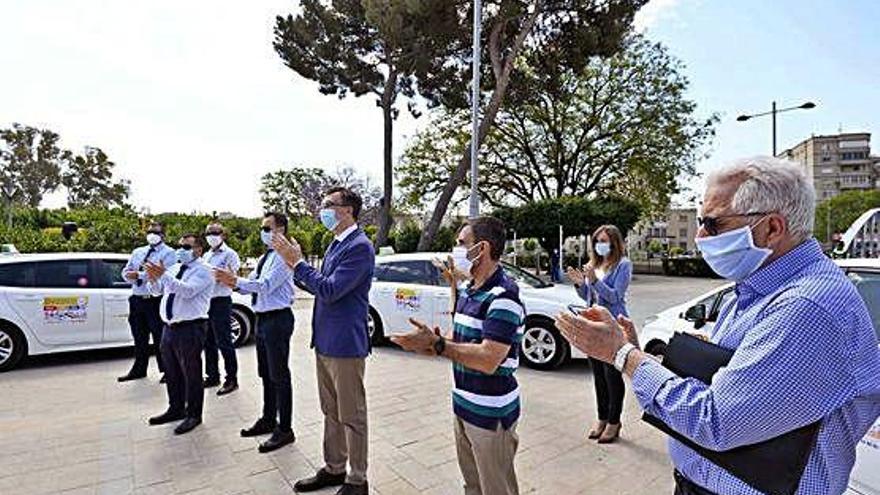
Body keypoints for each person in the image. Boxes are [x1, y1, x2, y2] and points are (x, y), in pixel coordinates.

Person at [555, 156, 880, 495]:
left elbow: (716, 420)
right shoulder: (754, 288)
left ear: (771, 228)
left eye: (713, 224)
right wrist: (634, 351)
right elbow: (719, 380)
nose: (699, 237)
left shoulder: (807, 307)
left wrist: (624, 355)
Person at [393, 216, 524, 495]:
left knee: (496, 488)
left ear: (483, 248)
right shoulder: (468, 290)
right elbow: (463, 341)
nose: (456, 251)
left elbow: (489, 358)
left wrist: (440, 346)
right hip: (464, 406)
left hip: (491, 416)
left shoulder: (504, 296)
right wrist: (431, 345)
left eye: (462, 244)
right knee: (473, 486)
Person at [273, 187, 375, 495]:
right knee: (331, 410)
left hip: (345, 345)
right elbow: (318, 286)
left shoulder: (359, 247)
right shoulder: (336, 243)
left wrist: (298, 264)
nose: (323, 209)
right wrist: (295, 265)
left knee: (351, 415)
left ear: (347, 210)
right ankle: (334, 468)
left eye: (329, 205)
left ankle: (357, 479)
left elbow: (330, 290)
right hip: (326, 341)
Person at [215, 212, 296, 453]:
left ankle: (285, 429)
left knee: (280, 376)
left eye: (267, 228)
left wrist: (235, 281)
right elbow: (251, 283)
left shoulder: (284, 256)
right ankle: (268, 418)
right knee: (266, 373)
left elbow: (266, 286)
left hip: (277, 319)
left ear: (280, 229)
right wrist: (232, 281)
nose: (263, 232)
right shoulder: (267, 256)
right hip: (262, 319)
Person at [565, 225, 632, 444]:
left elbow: (614, 297)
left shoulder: (623, 265)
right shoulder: (594, 265)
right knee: (599, 377)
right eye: (597, 241)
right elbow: (590, 297)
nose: (600, 245)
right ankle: (602, 418)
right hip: (592, 325)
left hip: (612, 326)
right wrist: (580, 285)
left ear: (614, 242)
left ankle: (614, 421)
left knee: (612, 376)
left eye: (604, 241)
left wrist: (594, 280)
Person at [144, 234, 214, 435]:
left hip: (190, 327)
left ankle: (194, 414)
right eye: (179, 245)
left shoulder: (205, 270)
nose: (181, 249)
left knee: (191, 372)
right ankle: (175, 408)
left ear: (198, 249)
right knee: (172, 371)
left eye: (186, 246)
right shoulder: (175, 268)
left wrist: (163, 275)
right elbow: (158, 292)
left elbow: (188, 291)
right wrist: (154, 278)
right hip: (169, 327)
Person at [118, 222, 178, 383]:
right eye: (150, 231)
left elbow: (165, 274)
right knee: (139, 337)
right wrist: (131, 275)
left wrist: (139, 275)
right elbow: (126, 271)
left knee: (160, 338)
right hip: (137, 299)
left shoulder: (169, 253)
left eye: (156, 232)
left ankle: (167, 370)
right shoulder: (138, 251)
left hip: (154, 300)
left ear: (163, 235)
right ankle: (139, 369)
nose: (152, 234)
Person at [201, 223, 241, 396]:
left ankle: (231, 379)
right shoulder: (207, 254)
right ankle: (212, 376)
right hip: (206, 302)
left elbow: (232, 276)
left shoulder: (230, 254)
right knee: (208, 341)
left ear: (223, 235)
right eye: (208, 233)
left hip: (221, 301)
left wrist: (217, 276)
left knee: (224, 342)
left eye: (215, 233)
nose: (211, 236)